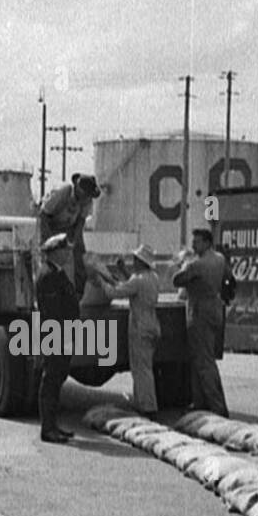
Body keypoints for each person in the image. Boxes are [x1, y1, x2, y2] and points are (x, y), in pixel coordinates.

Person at [91, 244, 161, 416]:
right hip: (152, 323)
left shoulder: (138, 280)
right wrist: (122, 272)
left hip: (140, 326)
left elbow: (114, 293)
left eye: (136, 260)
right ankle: (143, 402)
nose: (134, 262)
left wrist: (101, 281)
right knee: (144, 366)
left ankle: (148, 406)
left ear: (141, 261)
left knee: (141, 369)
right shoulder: (153, 277)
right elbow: (132, 284)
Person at [171, 227, 229, 416]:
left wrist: (184, 264)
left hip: (199, 312)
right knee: (199, 358)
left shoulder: (197, 264)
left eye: (196, 242)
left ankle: (216, 405)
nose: (193, 245)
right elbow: (228, 279)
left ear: (206, 242)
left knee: (204, 361)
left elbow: (176, 280)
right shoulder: (220, 259)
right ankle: (200, 402)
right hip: (214, 309)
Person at [35, 232, 82, 443]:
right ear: (55, 252)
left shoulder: (57, 273)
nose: (68, 253)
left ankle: (53, 425)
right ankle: (48, 428)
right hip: (56, 335)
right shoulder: (48, 275)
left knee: (57, 380)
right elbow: (53, 311)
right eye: (65, 250)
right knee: (51, 381)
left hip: (62, 334)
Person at [37, 173, 101, 297]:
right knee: (51, 258)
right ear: (79, 190)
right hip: (50, 224)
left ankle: (78, 293)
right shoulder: (62, 192)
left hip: (70, 227)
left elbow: (81, 221)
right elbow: (43, 215)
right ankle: (48, 292)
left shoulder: (87, 201)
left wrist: (74, 241)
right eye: (86, 194)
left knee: (79, 255)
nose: (88, 198)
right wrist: (49, 240)